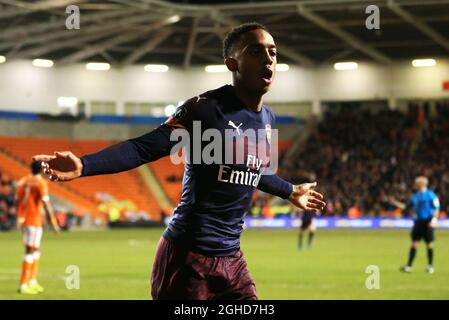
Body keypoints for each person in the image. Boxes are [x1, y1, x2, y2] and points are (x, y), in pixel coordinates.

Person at [33, 22, 326, 300]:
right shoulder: (205, 110)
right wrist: (86, 165)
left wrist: (289, 190)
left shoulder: (267, 119)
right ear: (232, 64)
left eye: (272, 52)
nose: (268, 59)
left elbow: (253, 169)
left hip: (232, 258)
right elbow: (143, 148)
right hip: (187, 258)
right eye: (255, 51)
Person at [15, 161, 60, 294]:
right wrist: (53, 222)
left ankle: (32, 281)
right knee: (30, 250)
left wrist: (20, 217)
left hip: (25, 220)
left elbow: (18, 199)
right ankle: (23, 285)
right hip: (34, 220)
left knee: (35, 249)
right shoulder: (41, 183)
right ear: (41, 170)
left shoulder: (23, 181)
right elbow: (46, 204)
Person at [390, 176, 440, 274]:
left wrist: (433, 220)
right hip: (418, 222)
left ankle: (430, 266)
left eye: (417, 183)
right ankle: (409, 266)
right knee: (414, 244)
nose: (416, 185)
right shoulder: (416, 196)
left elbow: (437, 208)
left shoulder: (431, 195)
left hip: (428, 222)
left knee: (429, 245)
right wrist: (395, 203)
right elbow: (406, 206)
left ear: (422, 184)